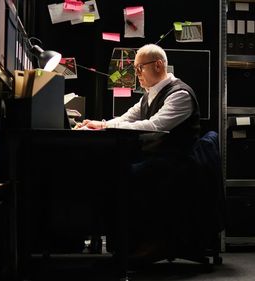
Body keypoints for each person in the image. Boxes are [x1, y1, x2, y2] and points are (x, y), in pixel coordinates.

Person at [77, 44, 201, 262]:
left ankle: (153, 243)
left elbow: (154, 127)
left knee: (126, 177)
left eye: (139, 68)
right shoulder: (148, 95)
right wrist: (100, 124)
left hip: (176, 162)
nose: (136, 74)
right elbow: (126, 118)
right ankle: (126, 244)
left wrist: (106, 128)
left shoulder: (180, 94)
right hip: (158, 158)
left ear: (158, 65)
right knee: (113, 173)